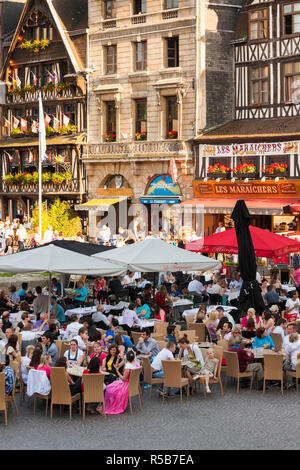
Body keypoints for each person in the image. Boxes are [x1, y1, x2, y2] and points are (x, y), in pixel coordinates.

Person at [103, 349, 139, 415]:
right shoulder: (137, 365)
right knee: (112, 386)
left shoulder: (127, 368)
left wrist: (117, 371)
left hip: (126, 385)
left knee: (109, 388)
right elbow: (119, 366)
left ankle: (110, 404)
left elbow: (123, 379)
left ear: (126, 357)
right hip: (133, 384)